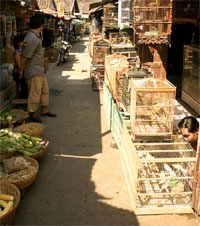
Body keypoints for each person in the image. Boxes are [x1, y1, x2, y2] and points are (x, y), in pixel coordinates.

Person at [19, 14, 56, 123]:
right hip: (34, 71)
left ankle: (44, 110)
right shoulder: (32, 38)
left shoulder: (35, 36)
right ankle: (33, 115)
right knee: (35, 93)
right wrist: (21, 69)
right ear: (41, 25)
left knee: (44, 91)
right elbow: (25, 56)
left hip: (39, 70)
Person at [12, 34, 28, 98]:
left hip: (24, 69)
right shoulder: (17, 52)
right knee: (25, 82)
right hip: (18, 71)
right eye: (22, 41)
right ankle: (23, 97)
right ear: (18, 43)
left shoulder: (24, 50)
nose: (24, 42)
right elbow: (19, 65)